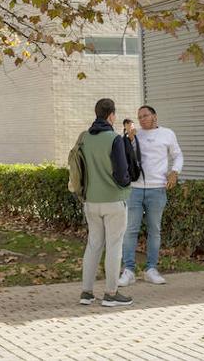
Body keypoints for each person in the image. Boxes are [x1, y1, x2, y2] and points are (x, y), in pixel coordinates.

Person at [77, 97, 133, 308]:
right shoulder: (114, 138)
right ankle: (111, 293)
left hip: (90, 201)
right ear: (111, 115)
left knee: (93, 245)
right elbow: (121, 173)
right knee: (114, 246)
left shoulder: (84, 138)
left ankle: (86, 293)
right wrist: (127, 182)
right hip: (113, 201)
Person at [120, 105, 184, 286]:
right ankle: (129, 270)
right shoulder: (135, 135)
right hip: (134, 189)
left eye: (145, 115)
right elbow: (125, 157)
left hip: (157, 189)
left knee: (154, 230)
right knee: (130, 230)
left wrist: (175, 172)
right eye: (139, 117)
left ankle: (151, 269)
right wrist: (128, 138)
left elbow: (178, 155)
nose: (141, 119)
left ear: (154, 116)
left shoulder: (167, 134)